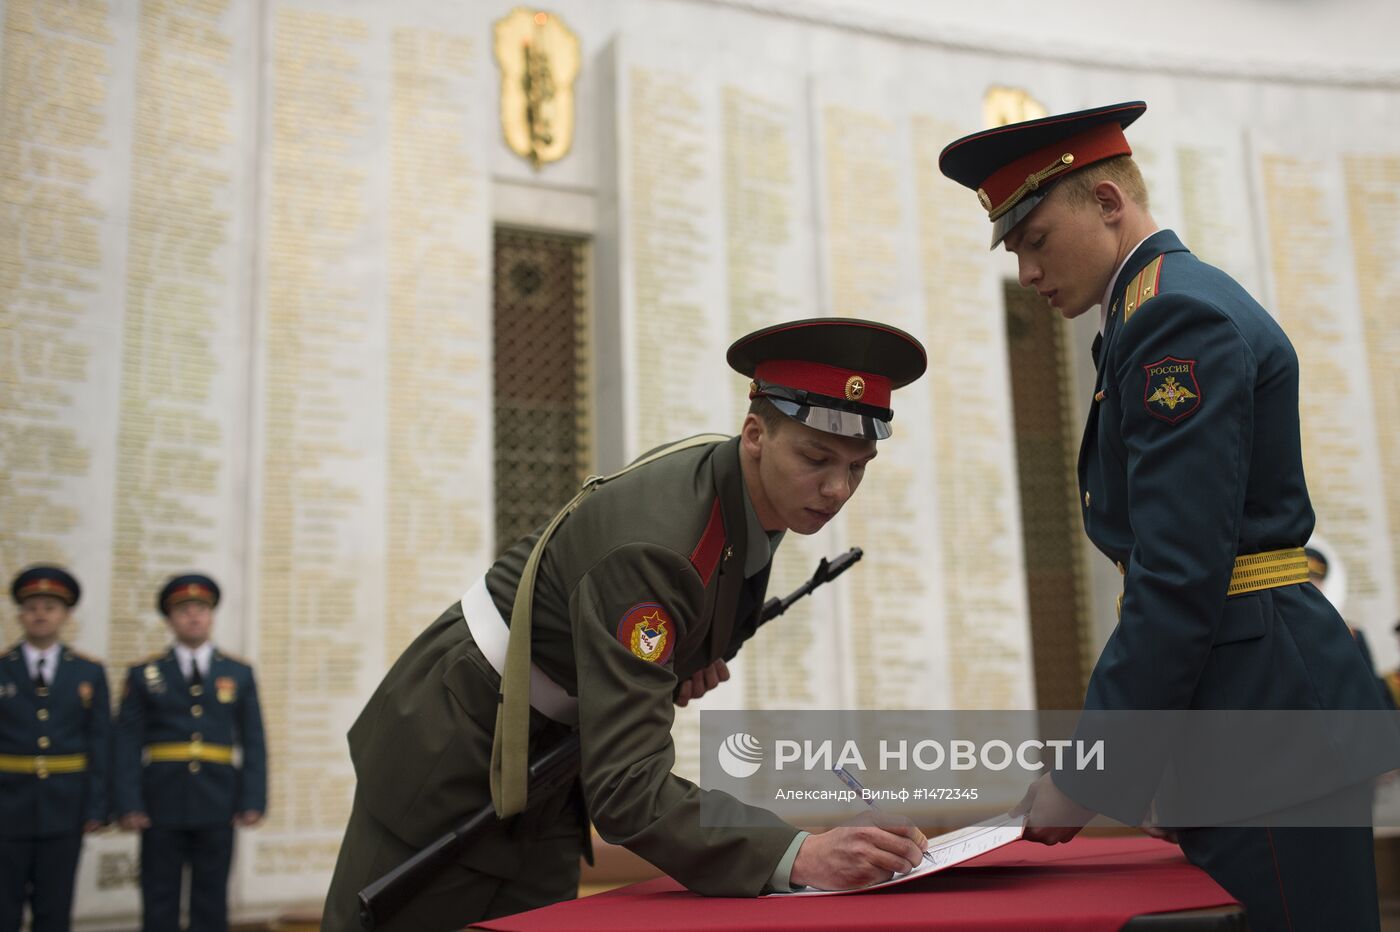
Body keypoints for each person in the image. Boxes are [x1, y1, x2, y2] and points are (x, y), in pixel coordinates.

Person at [940, 102, 1391, 930]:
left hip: (1267, 721)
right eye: (1014, 252)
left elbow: (1180, 576)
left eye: (1035, 241)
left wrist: (1089, 772)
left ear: (1109, 204)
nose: (1027, 273)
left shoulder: (1173, 319)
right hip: (1250, 712)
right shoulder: (1148, 314)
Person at [323, 318, 930, 930]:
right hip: (454, 744)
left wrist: (676, 664)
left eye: (858, 467)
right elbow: (629, 787)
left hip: (555, 758)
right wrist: (800, 853)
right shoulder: (661, 545)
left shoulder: (747, 497)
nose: (836, 489)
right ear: (754, 435)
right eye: (817, 458)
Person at [113, 574, 266, 932]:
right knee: (159, 897)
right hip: (160, 801)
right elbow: (127, 742)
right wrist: (129, 803)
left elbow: (254, 740)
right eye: (183, 610)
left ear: (211, 616)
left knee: (211, 901)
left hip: (218, 801)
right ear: (169, 619)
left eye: (200, 609)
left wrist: (253, 799)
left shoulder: (237, 673)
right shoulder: (145, 673)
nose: (193, 617)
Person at [0, 566, 109, 932]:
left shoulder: (87, 673)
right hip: (6, 807)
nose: (41, 614)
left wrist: (97, 806)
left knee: (55, 909)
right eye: (32, 606)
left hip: (65, 808)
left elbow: (99, 742)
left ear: (66, 615)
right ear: (19, 615)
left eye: (50, 606)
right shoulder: (3, 669)